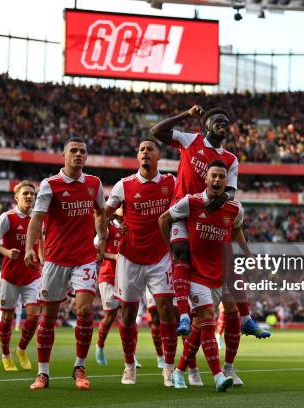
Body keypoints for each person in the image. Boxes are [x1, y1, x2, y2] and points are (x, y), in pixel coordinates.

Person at [150, 105, 269, 386]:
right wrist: (185, 114)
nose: (223, 124)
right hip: (185, 213)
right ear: (206, 126)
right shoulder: (190, 140)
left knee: (228, 272)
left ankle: (238, 333)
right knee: (182, 260)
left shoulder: (231, 159)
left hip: (211, 219)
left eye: (227, 121)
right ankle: (185, 349)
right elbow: (156, 132)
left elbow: (230, 190)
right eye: (217, 120)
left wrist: (221, 200)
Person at [158, 160, 250, 392]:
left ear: (226, 181)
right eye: (214, 176)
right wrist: (171, 250)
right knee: (208, 318)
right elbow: (163, 219)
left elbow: (237, 229)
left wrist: (247, 253)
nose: (217, 180)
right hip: (196, 274)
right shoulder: (191, 202)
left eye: (221, 176)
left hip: (218, 274)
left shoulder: (235, 209)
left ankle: (179, 371)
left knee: (200, 325)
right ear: (206, 179)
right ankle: (219, 375)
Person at [24, 138, 108, 390]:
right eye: (74, 151)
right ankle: (43, 373)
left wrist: (102, 238)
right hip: (55, 260)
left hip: (84, 259)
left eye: (83, 151)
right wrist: (29, 247)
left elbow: (101, 212)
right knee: (48, 317)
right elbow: (37, 220)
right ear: (64, 156)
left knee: (84, 310)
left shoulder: (94, 183)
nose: (79, 155)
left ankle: (79, 368)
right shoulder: (50, 185)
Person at [104, 139, 178, 386]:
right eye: (142, 150)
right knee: (128, 313)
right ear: (138, 157)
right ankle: (129, 366)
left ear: (159, 156)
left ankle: (168, 368)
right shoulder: (124, 185)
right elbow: (104, 212)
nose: (145, 152)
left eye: (150, 149)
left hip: (160, 256)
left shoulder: (171, 182)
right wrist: (115, 220)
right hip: (130, 257)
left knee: (167, 310)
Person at [0, 180, 43, 372]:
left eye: (32, 194)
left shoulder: (38, 218)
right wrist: (6, 252)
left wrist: (42, 261)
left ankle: (21, 349)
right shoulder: (7, 217)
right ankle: (5, 354)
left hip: (32, 276)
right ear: (16, 197)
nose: (29, 196)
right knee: (7, 317)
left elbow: (41, 240)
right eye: (25, 193)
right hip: (9, 276)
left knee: (34, 316)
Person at [95, 208, 124, 366]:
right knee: (110, 316)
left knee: (129, 315)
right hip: (108, 276)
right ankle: (100, 345)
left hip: (126, 277)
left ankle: (130, 354)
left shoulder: (130, 229)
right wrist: (113, 256)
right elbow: (98, 253)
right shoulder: (107, 229)